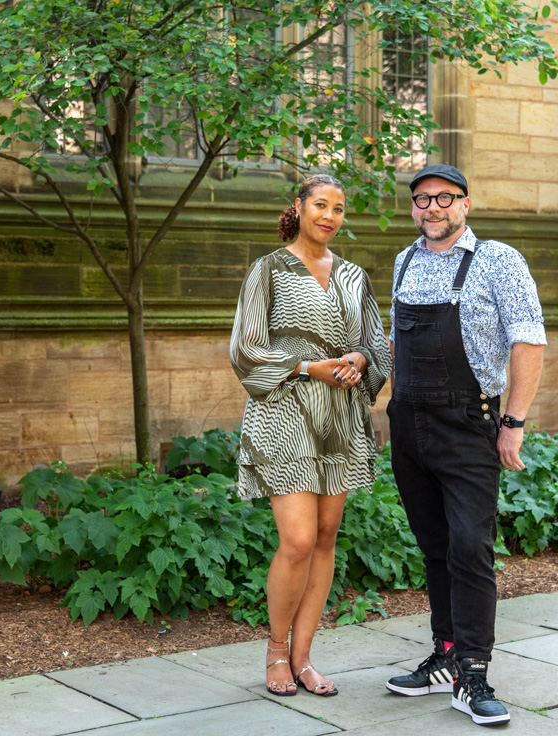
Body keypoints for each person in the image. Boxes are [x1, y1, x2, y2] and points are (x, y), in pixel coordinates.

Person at [384, 164, 545, 726]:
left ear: (466, 204)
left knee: (471, 547)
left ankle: (473, 672)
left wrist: (514, 421)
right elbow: (394, 346)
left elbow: (529, 340)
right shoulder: (403, 261)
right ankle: (445, 658)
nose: (433, 208)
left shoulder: (498, 260)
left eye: (444, 198)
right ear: (414, 208)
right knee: (434, 546)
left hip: (468, 423)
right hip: (408, 423)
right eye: (422, 199)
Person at [230, 174, 390, 698]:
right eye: (320, 205)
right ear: (298, 207)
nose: (330, 216)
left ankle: (303, 659)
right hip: (285, 415)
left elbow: (375, 341)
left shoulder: (352, 275)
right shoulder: (268, 270)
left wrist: (361, 358)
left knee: (325, 537)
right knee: (297, 540)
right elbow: (245, 349)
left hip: (340, 420)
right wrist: (305, 367)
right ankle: (276, 653)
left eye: (339, 209)